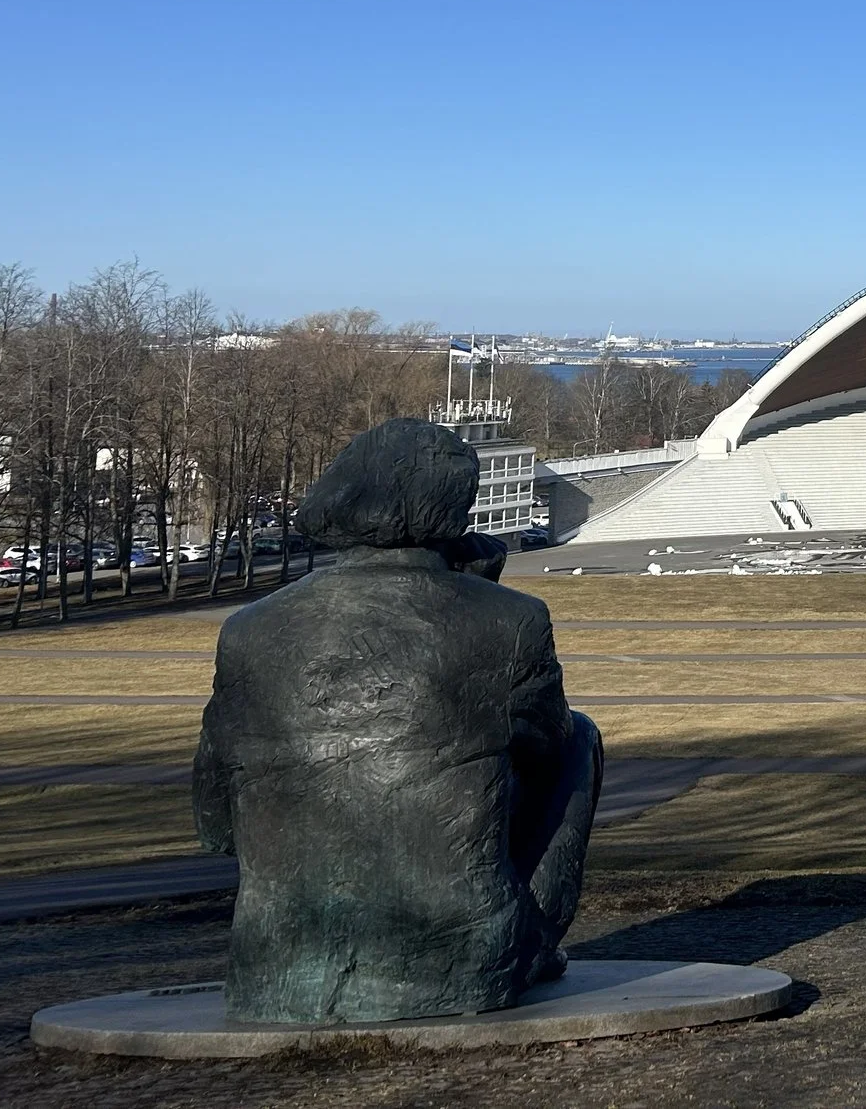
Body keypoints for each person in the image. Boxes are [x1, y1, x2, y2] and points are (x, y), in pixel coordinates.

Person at [192, 418, 602, 1023]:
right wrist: (477, 596)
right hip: (461, 954)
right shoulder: (513, 620)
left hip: (274, 961)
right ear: (456, 510)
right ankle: (522, 944)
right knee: (578, 741)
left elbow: (216, 826)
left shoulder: (248, 627)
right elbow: (544, 750)